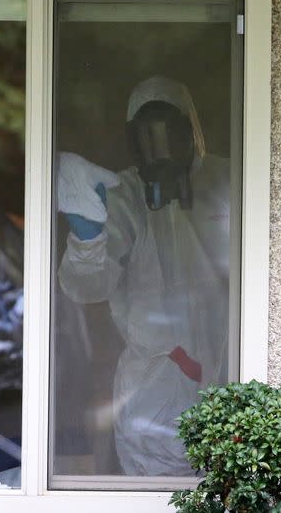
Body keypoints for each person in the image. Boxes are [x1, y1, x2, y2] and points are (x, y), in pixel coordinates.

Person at [56, 76, 230, 476]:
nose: (161, 149)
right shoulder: (124, 195)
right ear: (132, 141)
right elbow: (86, 287)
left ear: (192, 131)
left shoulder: (230, 182)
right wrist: (88, 238)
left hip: (235, 374)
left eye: (171, 132)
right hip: (155, 393)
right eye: (147, 136)